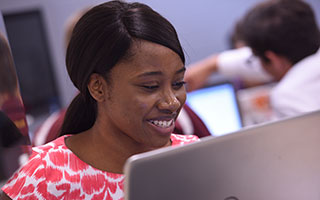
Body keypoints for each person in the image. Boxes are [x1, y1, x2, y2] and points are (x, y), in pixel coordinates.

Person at [0, 1, 199, 199]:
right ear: (98, 87)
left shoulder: (194, 155)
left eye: (178, 83)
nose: (171, 102)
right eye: (150, 86)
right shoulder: (43, 176)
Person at [185, 0, 320, 119]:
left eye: (256, 57)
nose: (255, 64)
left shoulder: (290, 97)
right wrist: (213, 64)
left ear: (271, 58)